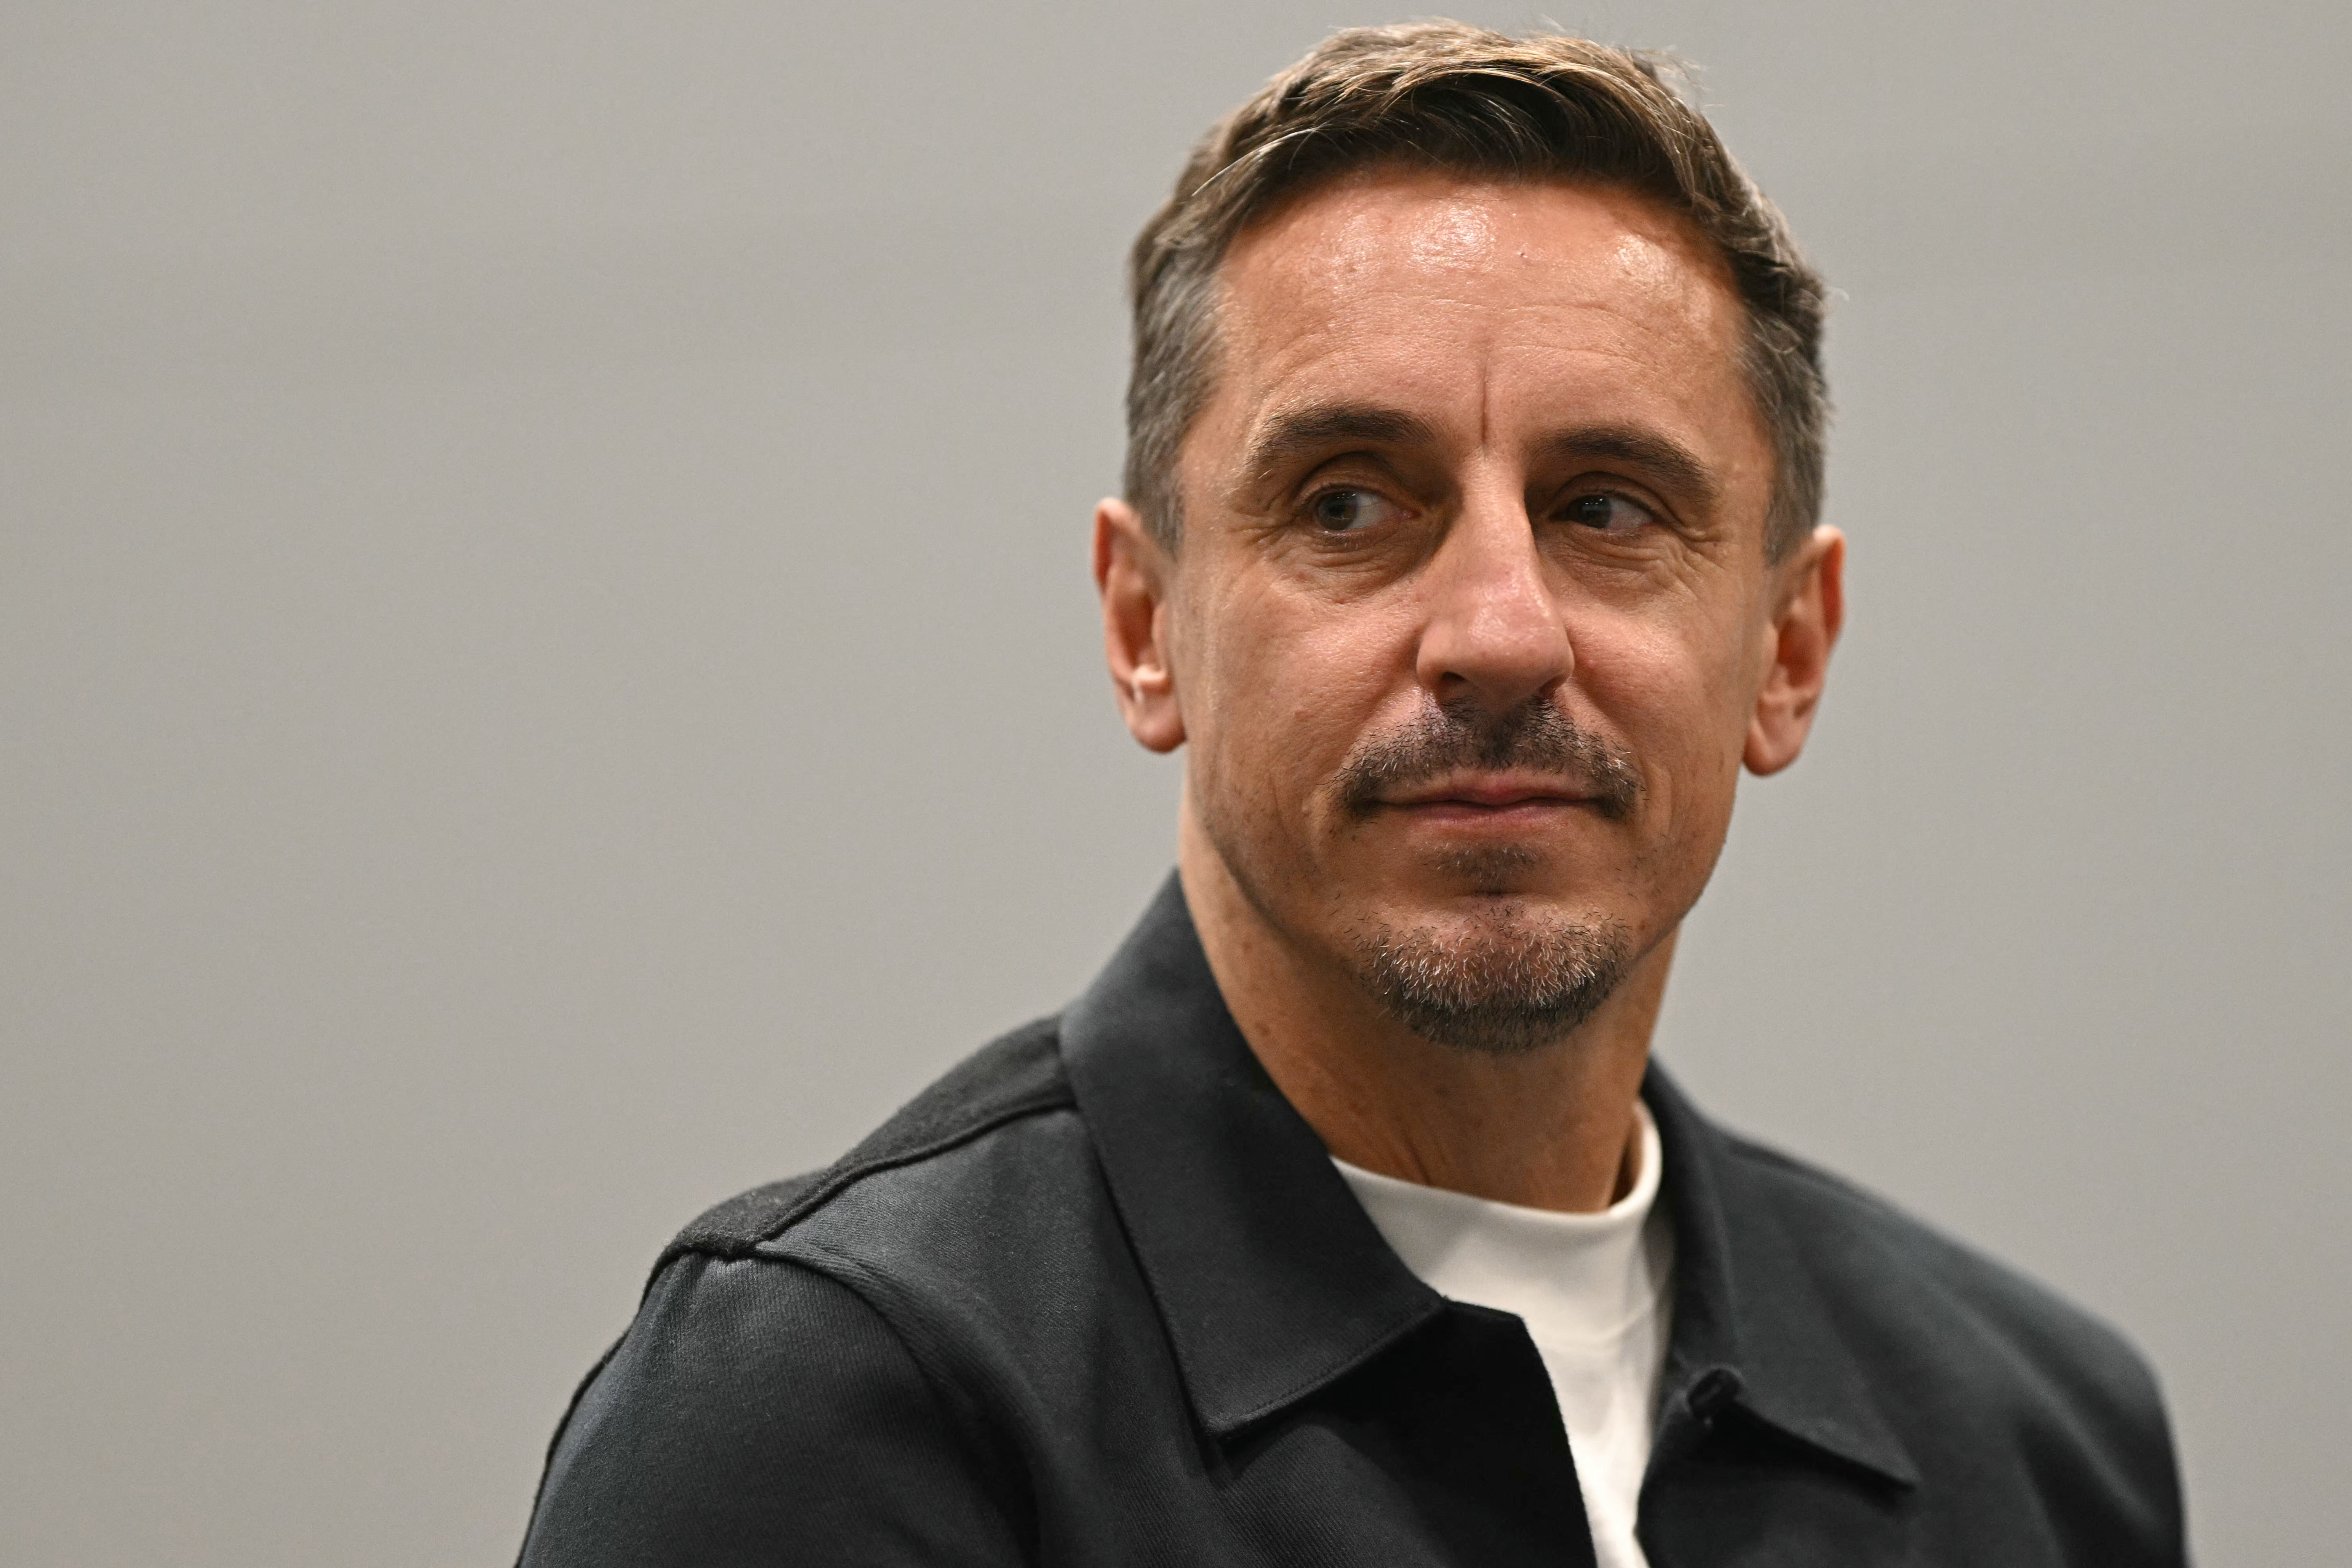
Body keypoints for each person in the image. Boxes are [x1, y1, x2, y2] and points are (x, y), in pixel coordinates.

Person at [516, 22, 2187, 1567]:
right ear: (1145, 625)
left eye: (1607, 509)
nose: (1498, 636)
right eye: (1344, 507)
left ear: (1788, 652)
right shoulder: (831, 1411)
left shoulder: (2038, 1447)